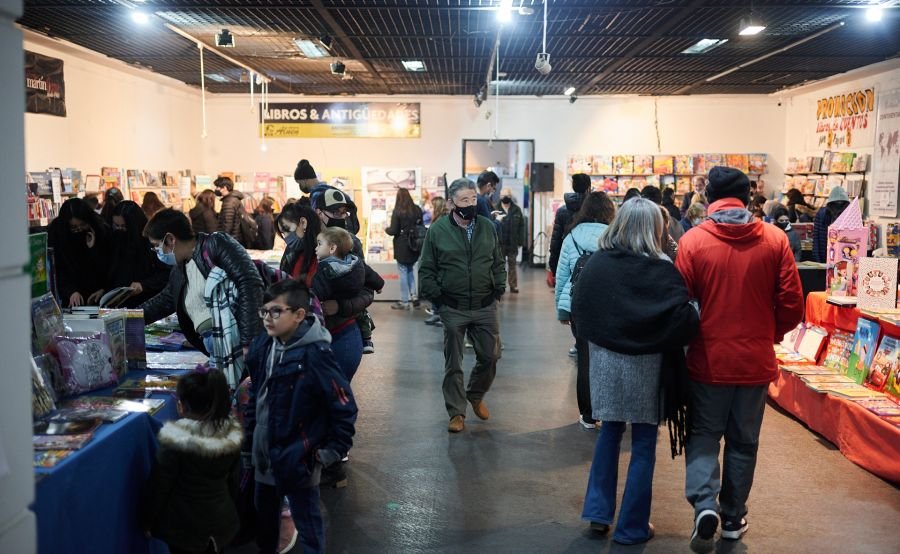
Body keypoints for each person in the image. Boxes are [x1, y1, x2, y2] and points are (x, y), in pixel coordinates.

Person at [675, 166, 803, 553]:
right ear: (748, 197)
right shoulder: (775, 240)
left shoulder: (693, 241)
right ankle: (732, 517)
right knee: (744, 443)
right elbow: (792, 304)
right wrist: (769, 334)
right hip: (754, 361)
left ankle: (703, 505)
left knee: (703, 437)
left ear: (710, 195)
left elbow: (680, 305)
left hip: (707, 360)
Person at [573, 198, 700, 546]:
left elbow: (580, 313)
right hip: (647, 364)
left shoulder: (598, 264)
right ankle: (632, 527)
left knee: (609, 433)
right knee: (643, 443)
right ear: (653, 229)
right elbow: (681, 321)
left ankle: (598, 513)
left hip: (605, 362)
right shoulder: (662, 270)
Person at [244, 279, 357, 554]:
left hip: (299, 456)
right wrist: (248, 442)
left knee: (307, 520)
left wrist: (330, 452)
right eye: (264, 311)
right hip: (263, 452)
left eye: (276, 311)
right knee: (264, 522)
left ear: (299, 314)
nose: (267, 319)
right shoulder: (263, 346)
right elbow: (256, 398)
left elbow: (343, 406)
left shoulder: (316, 354)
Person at [140, 209, 264, 387]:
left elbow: (249, 283)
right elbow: (165, 300)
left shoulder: (216, 244)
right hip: (215, 346)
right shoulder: (180, 269)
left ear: (170, 239)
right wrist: (128, 316)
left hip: (236, 341)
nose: (156, 252)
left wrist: (249, 341)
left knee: (246, 398)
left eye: (156, 245)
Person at [419, 178, 506, 433]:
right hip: (453, 306)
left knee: (491, 356)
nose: (470, 204)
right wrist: (438, 298)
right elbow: (426, 269)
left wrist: (499, 286)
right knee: (453, 363)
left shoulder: (487, 228)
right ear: (451, 203)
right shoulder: (437, 231)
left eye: (473, 199)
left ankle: (476, 394)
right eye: (464, 200)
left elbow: (498, 261)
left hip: (485, 304)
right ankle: (456, 412)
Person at [142, 369, 243, 554]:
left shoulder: (176, 440)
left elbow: (159, 484)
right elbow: (234, 481)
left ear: (182, 406)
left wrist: (147, 521)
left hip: (184, 527)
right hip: (221, 519)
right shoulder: (231, 436)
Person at [554, 191, 616, 430]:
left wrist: (562, 311)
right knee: (610, 357)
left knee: (585, 357)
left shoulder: (572, 237)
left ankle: (588, 415)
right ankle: (609, 409)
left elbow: (562, 276)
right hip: (609, 304)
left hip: (578, 304)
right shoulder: (615, 235)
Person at [310, 188, 380, 354]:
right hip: (310, 330)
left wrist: (340, 306)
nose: (341, 217)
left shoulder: (350, 242)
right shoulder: (305, 241)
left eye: (344, 213)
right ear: (319, 213)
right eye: (335, 212)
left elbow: (366, 290)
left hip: (343, 330)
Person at [311, 227, 366, 383]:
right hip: (337, 331)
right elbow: (370, 279)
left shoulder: (325, 267)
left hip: (339, 331)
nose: (316, 248)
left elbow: (317, 292)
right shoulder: (354, 263)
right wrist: (379, 283)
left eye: (319, 244)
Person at [47, 197, 110, 308]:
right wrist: (70, 291)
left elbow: (107, 265)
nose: (79, 230)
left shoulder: (99, 229)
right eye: (74, 227)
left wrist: (92, 248)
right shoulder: (58, 232)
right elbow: (58, 266)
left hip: (97, 293)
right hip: (70, 294)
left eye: (82, 225)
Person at [106, 201, 171, 307]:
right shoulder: (114, 239)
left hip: (146, 302)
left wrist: (144, 285)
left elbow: (165, 274)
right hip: (118, 304)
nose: (119, 230)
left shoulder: (150, 242)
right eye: (116, 225)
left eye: (124, 226)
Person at [385, 188, 424, 309]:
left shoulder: (398, 211)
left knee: (403, 271)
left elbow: (393, 231)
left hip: (402, 245)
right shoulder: (417, 209)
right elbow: (421, 226)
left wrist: (386, 229)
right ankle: (414, 296)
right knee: (410, 270)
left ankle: (404, 301)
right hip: (414, 244)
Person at [548, 174, 590, 276]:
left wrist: (553, 266)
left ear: (573, 187)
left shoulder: (562, 211)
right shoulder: (595, 210)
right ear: (589, 188)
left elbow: (556, 241)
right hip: (590, 261)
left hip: (567, 259)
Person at [424, 196, 449, 326]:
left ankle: (442, 315)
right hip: (436, 258)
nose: (429, 209)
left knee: (441, 287)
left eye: (432, 207)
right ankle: (436, 313)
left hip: (441, 259)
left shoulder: (442, 221)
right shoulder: (437, 220)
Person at [497, 188, 526, 294]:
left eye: (507, 195)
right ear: (500, 196)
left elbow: (522, 226)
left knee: (512, 265)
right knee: (499, 266)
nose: (505, 197)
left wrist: (521, 242)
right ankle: (500, 286)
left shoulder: (516, 209)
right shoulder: (496, 208)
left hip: (512, 243)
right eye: (503, 195)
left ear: (511, 196)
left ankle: (513, 286)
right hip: (499, 244)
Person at [812, 186, 850, 262]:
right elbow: (816, 238)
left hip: (841, 255)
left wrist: (817, 259)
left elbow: (816, 238)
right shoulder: (822, 214)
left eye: (841, 203)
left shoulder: (849, 214)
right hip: (832, 255)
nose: (838, 204)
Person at [215, 176, 248, 245]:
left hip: (231, 238)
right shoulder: (234, 199)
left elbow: (227, 223)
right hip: (235, 237)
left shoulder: (229, 202)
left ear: (225, 188)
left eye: (218, 187)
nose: (216, 189)